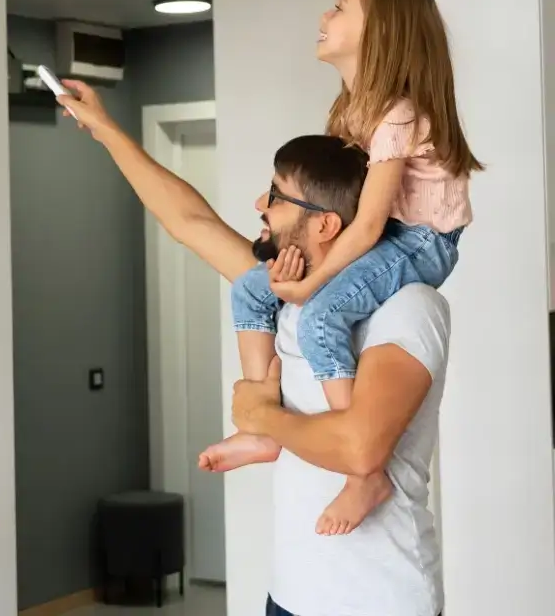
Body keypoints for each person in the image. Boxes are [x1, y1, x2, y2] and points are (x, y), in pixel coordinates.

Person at [56, 83, 447, 616]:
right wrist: (104, 128)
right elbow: (189, 222)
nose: (260, 205)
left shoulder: (408, 306)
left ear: (326, 224)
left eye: (278, 197)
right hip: (290, 594)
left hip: (376, 600)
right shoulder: (291, 292)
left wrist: (262, 416)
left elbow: (359, 449)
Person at [201, 0, 479, 537]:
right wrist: (273, 223)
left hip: (420, 241)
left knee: (321, 315)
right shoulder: (350, 110)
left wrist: (308, 284)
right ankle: (261, 420)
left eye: (338, 7)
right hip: (379, 233)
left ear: (378, 34)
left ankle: (364, 474)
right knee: (254, 289)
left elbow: (372, 221)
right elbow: (332, 199)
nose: (324, 17)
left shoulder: (397, 114)